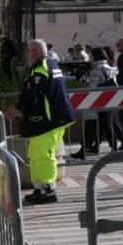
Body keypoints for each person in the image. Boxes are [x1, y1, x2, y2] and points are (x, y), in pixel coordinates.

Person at [16, 39, 74, 204]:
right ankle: (40, 188)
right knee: (36, 153)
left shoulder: (40, 69)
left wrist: (18, 108)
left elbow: (32, 95)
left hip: (48, 120)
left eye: (28, 51)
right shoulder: (52, 64)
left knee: (44, 154)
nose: (27, 54)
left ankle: (48, 189)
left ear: (35, 52)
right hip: (55, 118)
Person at [71, 46, 120, 160]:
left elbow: (92, 86)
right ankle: (113, 147)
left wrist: (84, 82)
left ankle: (84, 150)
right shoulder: (109, 67)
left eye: (91, 55)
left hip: (96, 100)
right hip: (108, 99)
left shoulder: (97, 69)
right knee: (106, 124)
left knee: (92, 125)